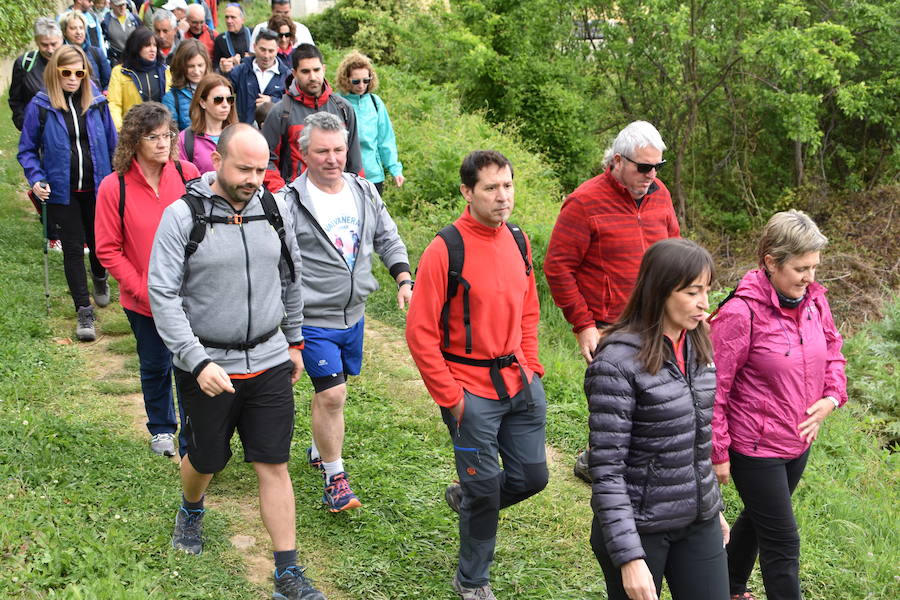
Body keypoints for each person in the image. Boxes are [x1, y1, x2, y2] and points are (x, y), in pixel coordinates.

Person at [148, 123, 325, 600]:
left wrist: (293, 341)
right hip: (208, 366)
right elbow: (162, 296)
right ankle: (191, 506)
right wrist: (196, 360)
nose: (252, 177)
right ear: (217, 161)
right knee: (206, 457)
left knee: (274, 463)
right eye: (243, 168)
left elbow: (292, 277)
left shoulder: (273, 209)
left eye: (261, 168)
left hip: (268, 361)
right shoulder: (182, 217)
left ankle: (287, 572)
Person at [406, 150, 548, 600]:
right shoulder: (446, 248)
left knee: (532, 478)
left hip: (519, 382)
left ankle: (468, 496)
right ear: (467, 192)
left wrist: (532, 363)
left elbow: (528, 306)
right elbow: (420, 332)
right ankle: (472, 580)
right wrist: (452, 397)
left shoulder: (519, 239)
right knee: (486, 489)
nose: (502, 196)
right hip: (470, 392)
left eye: (507, 185)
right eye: (490, 188)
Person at [710, 210, 847, 600]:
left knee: (757, 520)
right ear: (771, 261)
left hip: (798, 441)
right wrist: (717, 450)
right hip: (754, 447)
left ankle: (730, 588)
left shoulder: (815, 302)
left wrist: (831, 399)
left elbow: (834, 354)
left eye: (815, 267)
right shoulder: (741, 312)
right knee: (783, 543)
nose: (810, 278)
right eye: (801, 268)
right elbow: (714, 388)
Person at [279, 112, 410, 512]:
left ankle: (320, 448)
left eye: (338, 149)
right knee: (333, 394)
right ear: (304, 154)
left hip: (354, 315)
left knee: (333, 392)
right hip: (313, 319)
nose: (332, 158)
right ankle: (335, 478)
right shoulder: (289, 202)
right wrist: (287, 329)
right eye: (322, 151)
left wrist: (404, 276)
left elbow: (388, 236)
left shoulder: (363, 190)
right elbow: (280, 267)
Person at [586, 237, 729, 600]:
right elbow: (607, 468)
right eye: (693, 292)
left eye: (707, 290)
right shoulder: (616, 364)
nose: (704, 304)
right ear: (661, 290)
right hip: (640, 526)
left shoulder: (699, 345)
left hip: (698, 520)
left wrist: (709, 506)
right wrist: (630, 557)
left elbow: (696, 439)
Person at [543, 120, 680, 484]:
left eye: (658, 167)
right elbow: (557, 267)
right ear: (618, 161)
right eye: (644, 167)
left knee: (654, 404)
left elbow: (676, 253)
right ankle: (602, 469)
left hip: (656, 320)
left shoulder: (661, 195)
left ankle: (613, 465)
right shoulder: (584, 202)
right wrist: (583, 324)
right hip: (609, 327)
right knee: (614, 407)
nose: (652, 175)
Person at [95, 102, 200, 457]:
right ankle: (161, 429)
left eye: (167, 135)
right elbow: (108, 249)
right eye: (152, 136)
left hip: (191, 294)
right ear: (134, 141)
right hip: (143, 300)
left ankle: (194, 432)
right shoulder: (114, 187)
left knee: (190, 365)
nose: (161, 143)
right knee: (155, 364)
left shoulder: (188, 175)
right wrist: (142, 289)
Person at [17, 45, 117, 342]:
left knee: (100, 243)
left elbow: (114, 144)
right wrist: (36, 178)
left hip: (98, 187)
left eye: (78, 72)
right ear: (55, 73)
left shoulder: (97, 102)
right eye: (66, 73)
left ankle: (100, 276)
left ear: (86, 74)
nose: (72, 79)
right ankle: (83, 310)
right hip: (63, 191)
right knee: (73, 248)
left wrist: (118, 178)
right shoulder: (42, 105)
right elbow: (27, 149)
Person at [261, 44, 362, 191]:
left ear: (324, 69)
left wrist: (356, 193)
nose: (313, 77)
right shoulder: (281, 112)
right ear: (294, 73)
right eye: (305, 71)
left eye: (316, 70)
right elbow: (266, 160)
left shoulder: (344, 109)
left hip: (338, 195)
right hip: (297, 199)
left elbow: (355, 160)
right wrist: (282, 194)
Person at [335, 51, 405, 196]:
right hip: (345, 175)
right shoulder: (337, 103)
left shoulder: (375, 102)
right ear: (346, 79)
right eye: (356, 81)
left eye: (366, 80)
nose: (361, 85)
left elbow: (385, 140)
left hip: (373, 176)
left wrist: (395, 169)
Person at [108, 27, 171, 129]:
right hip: (132, 133)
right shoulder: (120, 72)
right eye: (147, 45)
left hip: (161, 131)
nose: (152, 49)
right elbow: (114, 105)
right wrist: (120, 131)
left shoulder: (165, 71)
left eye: (154, 45)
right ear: (136, 47)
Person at [221, 29, 287, 125]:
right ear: (254, 47)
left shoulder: (286, 75)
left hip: (274, 132)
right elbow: (223, 91)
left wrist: (273, 102)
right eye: (262, 50)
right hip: (244, 130)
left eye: (271, 51)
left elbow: (292, 105)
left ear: (277, 50)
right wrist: (224, 73)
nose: (266, 55)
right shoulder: (241, 70)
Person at [10, 18, 64, 131]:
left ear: (61, 39)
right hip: (37, 131)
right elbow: (16, 99)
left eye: (54, 44)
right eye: (44, 45)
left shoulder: (73, 61)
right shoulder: (24, 64)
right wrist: (24, 123)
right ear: (36, 41)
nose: (50, 50)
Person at [177, 74, 237, 173]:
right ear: (202, 103)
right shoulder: (185, 139)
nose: (225, 105)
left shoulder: (239, 135)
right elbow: (183, 178)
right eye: (218, 100)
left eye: (230, 99)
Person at [161, 39, 210, 130]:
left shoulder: (216, 89)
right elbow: (171, 134)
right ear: (181, 66)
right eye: (191, 66)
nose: (196, 71)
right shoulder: (171, 98)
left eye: (200, 65)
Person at [60, 10, 112, 91]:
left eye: (81, 28)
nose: (78, 32)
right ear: (64, 32)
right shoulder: (59, 56)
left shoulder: (96, 53)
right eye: (73, 28)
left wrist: (104, 95)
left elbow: (109, 82)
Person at [102, 0, 142, 66]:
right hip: (117, 59)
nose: (122, 7)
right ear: (111, 5)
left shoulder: (134, 19)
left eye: (124, 4)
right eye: (118, 5)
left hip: (135, 57)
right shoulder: (106, 21)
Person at [213, 3, 252, 67]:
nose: (229, 21)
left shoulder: (252, 34)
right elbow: (215, 67)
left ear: (243, 20)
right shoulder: (220, 40)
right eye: (227, 17)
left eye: (233, 17)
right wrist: (225, 64)